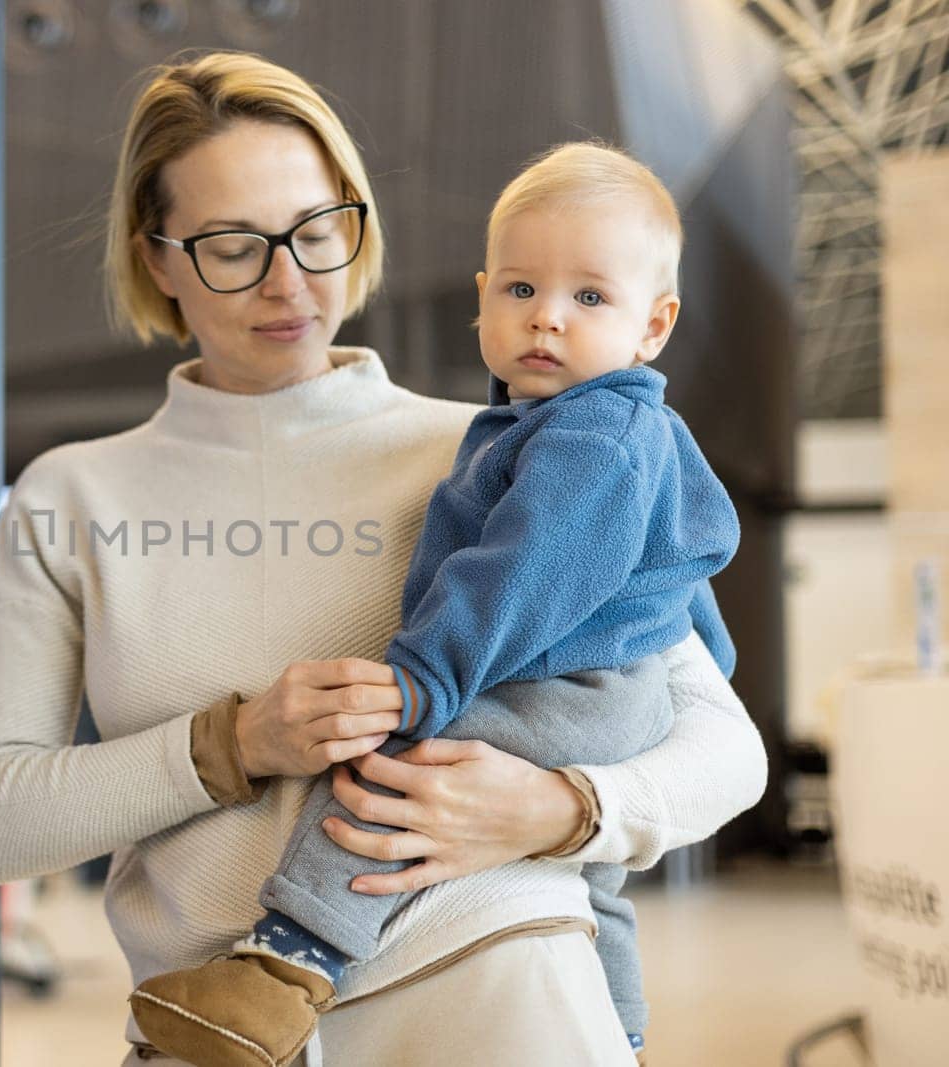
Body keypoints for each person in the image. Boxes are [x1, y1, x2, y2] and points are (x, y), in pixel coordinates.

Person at [0, 52, 767, 1066]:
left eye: (315, 230)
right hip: (215, 1030)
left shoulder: (518, 451)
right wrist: (233, 744)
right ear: (156, 257)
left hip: (500, 993)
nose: (288, 280)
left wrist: (560, 808)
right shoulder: (70, 495)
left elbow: (726, 749)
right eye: (231, 246)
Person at [130, 142, 737, 1067]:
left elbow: (518, 574)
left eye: (590, 297)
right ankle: (623, 1034)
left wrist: (420, 682)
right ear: (482, 296)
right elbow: (685, 573)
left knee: (392, 772)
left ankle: (288, 964)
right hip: (613, 696)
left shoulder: (593, 433)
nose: (548, 321)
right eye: (523, 291)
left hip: (560, 688)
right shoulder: (602, 426)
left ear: (654, 325)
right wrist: (698, 666)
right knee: (592, 884)